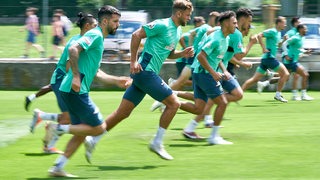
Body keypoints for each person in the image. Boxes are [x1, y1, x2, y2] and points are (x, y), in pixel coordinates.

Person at [84, 0, 194, 161]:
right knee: (174, 103)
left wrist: (182, 53)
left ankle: (94, 139)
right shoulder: (162, 25)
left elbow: (168, 53)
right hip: (145, 72)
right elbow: (136, 35)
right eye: (187, 15)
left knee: (123, 113)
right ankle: (157, 142)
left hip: (146, 75)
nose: (189, 18)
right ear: (178, 13)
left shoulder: (176, 31)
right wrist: (133, 62)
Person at [47, 6, 122, 177]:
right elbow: (73, 49)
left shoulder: (98, 39)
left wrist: (117, 81)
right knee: (99, 128)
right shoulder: (95, 35)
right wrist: (75, 77)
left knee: (82, 131)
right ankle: (58, 128)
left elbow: (95, 72)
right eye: (115, 21)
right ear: (105, 21)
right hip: (75, 91)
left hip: (71, 90)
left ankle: (58, 167)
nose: (118, 25)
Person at [183, 8, 257, 139]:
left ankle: (174, 103)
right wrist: (251, 43)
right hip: (210, 70)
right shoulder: (234, 34)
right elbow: (238, 55)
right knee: (224, 99)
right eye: (249, 22)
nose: (249, 25)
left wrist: (227, 69)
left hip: (218, 68)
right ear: (243, 20)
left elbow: (222, 55)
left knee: (203, 105)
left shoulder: (223, 33)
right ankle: (212, 135)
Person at [184, 11, 237, 145]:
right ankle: (214, 137)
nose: (236, 26)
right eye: (234, 23)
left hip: (200, 72)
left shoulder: (226, 38)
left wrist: (223, 70)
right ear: (225, 23)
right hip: (203, 73)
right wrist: (214, 73)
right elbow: (201, 56)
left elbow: (216, 57)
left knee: (199, 108)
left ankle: (171, 101)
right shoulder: (216, 38)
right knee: (222, 103)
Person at [150, 11, 220, 112]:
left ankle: (167, 98)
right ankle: (162, 98)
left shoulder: (205, 27)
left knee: (190, 84)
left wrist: (191, 47)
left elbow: (192, 34)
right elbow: (190, 35)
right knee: (183, 82)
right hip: (197, 59)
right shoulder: (209, 28)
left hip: (197, 59)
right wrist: (189, 47)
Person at [241, 16, 290, 103]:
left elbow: (277, 46)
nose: (285, 25)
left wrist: (283, 41)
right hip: (269, 58)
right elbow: (259, 35)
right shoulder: (272, 31)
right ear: (278, 23)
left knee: (254, 79)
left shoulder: (278, 33)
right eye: (284, 23)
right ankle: (278, 94)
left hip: (266, 59)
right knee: (285, 74)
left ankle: (239, 93)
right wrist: (263, 48)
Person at [282, 24, 314, 101]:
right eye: (304, 29)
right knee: (305, 75)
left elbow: (298, 49)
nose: (306, 30)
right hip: (291, 61)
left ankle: (295, 95)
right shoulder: (295, 37)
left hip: (292, 60)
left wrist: (305, 52)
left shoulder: (302, 38)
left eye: (306, 29)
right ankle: (303, 95)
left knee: (286, 77)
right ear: (300, 30)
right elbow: (284, 44)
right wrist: (286, 54)